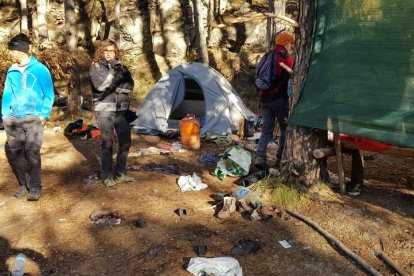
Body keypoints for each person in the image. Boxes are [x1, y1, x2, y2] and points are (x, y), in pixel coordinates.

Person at [2, 33, 54, 201]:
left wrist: (43, 115)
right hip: (13, 120)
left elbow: (49, 94)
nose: (11, 54)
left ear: (21, 50)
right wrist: (5, 115)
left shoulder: (40, 70)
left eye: (12, 50)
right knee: (17, 154)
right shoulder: (12, 70)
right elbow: (7, 94)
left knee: (32, 154)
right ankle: (24, 184)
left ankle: (35, 187)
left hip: (33, 119)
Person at [89, 40, 135, 189]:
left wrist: (115, 88)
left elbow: (130, 86)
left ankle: (120, 173)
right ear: (101, 51)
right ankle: (107, 176)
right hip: (104, 109)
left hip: (120, 110)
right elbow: (100, 86)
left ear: (116, 52)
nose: (109, 53)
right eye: (106, 50)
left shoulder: (121, 66)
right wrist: (113, 74)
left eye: (112, 51)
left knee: (126, 141)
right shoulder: (95, 66)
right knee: (107, 143)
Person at [254, 32, 295, 169]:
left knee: (266, 129)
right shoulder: (286, 59)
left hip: (264, 99)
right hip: (279, 99)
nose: (292, 46)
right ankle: (280, 159)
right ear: (285, 43)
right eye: (291, 43)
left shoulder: (267, 56)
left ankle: (260, 157)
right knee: (285, 130)